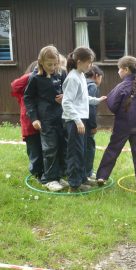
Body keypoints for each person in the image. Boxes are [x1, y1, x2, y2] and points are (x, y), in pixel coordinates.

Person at [96, 55, 136, 188]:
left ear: (125, 69)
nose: (118, 71)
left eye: (119, 69)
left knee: (112, 150)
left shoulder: (121, 86)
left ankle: (102, 176)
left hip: (122, 125)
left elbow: (112, 104)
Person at [62, 47, 107, 193]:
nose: (90, 66)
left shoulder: (80, 75)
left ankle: (82, 179)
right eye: (89, 62)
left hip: (81, 120)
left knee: (81, 151)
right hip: (75, 121)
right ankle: (74, 185)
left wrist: (96, 100)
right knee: (75, 153)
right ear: (79, 61)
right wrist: (77, 121)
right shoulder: (72, 78)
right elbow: (67, 102)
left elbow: (82, 98)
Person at [24, 45, 68, 192]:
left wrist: (65, 97)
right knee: (50, 148)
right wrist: (34, 118)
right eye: (49, 64)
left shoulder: (62, 73)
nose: (53, 67)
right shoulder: (35, 77)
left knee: (62, 145)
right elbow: (28, 98)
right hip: (46, 118)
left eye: (55, 64)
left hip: (62, 116)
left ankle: (59, 175)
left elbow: (69, 91)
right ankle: (49, 179)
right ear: (41, 62)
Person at [11, 61, 44, 181]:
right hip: (29, 126)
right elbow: (14, 85)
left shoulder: (40, 86)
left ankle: (45, 172)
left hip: (42, 124)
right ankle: (37, 173)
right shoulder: (23, 88)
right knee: (35, 151)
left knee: (44, 150)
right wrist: (32, 74)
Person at [85, 65, 104, 179]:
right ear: (96, 76)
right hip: (87, 124)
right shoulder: (92, 86)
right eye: (101, 77)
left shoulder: (82, 83)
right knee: (89, 148)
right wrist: (93, 125)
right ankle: (88, 172)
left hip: (78, 122)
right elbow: (90, 107)